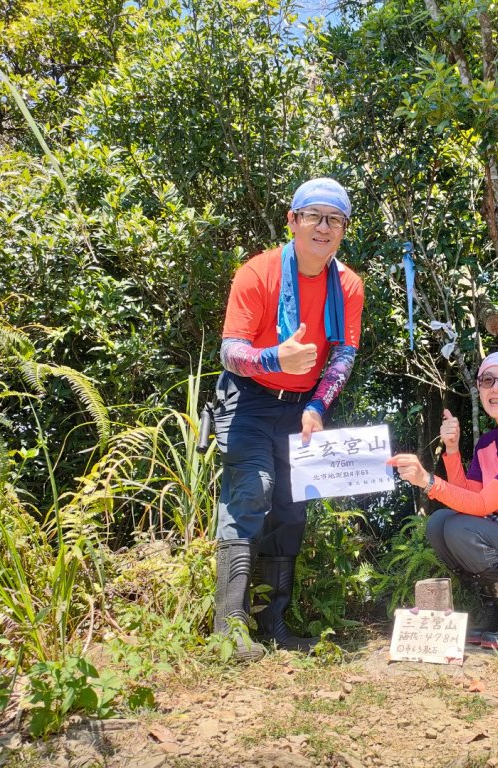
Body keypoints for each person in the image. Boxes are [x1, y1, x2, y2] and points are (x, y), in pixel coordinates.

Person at [213, 177, 364, 658]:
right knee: (252, 490)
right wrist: (274, 358)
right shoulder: (257, 274)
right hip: (249, 398)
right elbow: (230, 351)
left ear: (344, 229)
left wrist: (318, 406)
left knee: (292, 507)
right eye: (314, 216)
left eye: (335, 219)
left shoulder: (348, 285)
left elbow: (343, 354)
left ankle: (274, 624)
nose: (324, 227)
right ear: (293, 221)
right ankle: (229, 628)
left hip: (300, 407)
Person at [388, 351, 498, 652]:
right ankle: (495, 606)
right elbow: (467, 498)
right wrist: (452, 450)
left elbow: (481, 505)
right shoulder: (488, 443)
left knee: (459, 527)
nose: (495, 387)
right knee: (439, 522)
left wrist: (428, 481)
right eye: (487, 380)